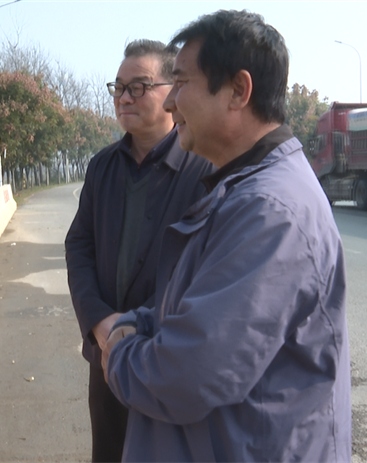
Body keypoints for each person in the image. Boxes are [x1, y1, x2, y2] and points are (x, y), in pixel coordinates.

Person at [102, 10, 352, 462]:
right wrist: (139, 322)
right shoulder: (239, 188)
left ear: (238, 91)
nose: (171, 102)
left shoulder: (270, 212)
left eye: (181, 82)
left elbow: (186, 375)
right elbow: (192, 309)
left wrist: (119, 354)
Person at [65, 39, 214, 463]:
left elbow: (203, 269)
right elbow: (79, 246)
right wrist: (100, 323)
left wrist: (133, 327)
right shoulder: (103, 166)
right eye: (118, 87)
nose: (124, 97)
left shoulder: (204, 169)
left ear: (173, 91)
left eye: (139, 87)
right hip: (106, 358)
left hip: (167, 359)